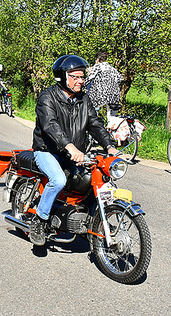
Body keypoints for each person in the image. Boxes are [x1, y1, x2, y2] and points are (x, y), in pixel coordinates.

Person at [29, 55, 120, 246]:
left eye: (82, 77)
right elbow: (50, 125)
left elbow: (95, 124)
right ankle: (39, 220)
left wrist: (109, 146)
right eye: (75, 77)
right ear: (63, 77)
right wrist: (70, 147)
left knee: (95, 179)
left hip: (72, 152)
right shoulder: (47, 97)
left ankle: (90, 222)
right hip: (47, 150)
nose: (80, 81)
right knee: (58, 180)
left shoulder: (83, 99)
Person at [86, 50, 124, 118]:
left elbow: (89, 78)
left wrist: (83, 85)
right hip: (114, 96)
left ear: (97, 59)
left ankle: (93, 122)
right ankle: (111, 124)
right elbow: (120, 78)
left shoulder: (97, 66)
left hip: (100, 95)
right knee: (112, 116)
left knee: (93, 106)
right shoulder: (111, 68)